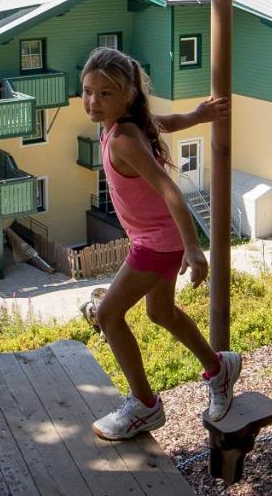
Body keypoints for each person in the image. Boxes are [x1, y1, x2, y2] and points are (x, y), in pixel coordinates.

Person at [81, 47, 240, 440]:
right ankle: (219, 369)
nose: (93, 102)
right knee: (161, 313)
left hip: (157, 243)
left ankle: (144, 405)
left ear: (127, 95)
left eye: (105, 93)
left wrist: (193, 247)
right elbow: (161, 122)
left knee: (108, 316)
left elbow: (170, 190)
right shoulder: (123, 125)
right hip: (157, 239)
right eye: (88, 91)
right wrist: (196, 117)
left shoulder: (123, 139)